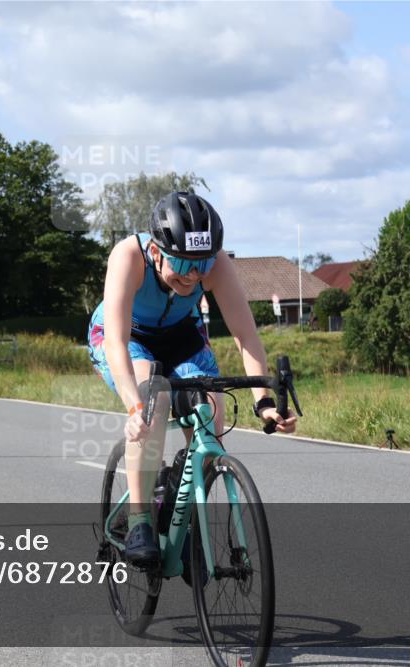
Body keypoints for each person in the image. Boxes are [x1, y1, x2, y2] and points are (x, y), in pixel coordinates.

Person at [87, 191, 297, 566]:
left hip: (182, 335)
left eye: (200, 265)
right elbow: (117, 343)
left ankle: (176, 504)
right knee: (156, 397)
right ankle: (139, 521)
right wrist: (134, 407)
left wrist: (263, 403)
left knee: (211, 410)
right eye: (182, 264)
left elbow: (246, 336)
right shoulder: (128, 256)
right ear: (155, 252)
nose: (193, 276)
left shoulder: (215, 264)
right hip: (126, 336)